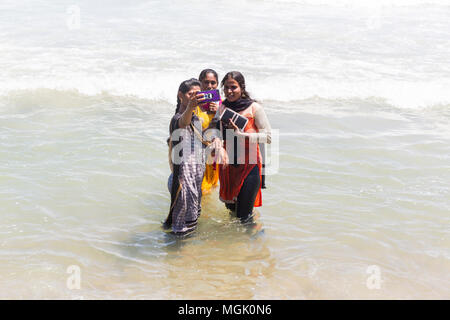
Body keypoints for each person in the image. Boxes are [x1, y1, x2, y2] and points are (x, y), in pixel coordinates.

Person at [211, 71, 271, 223]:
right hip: (228, 167)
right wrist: (216, 140)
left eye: (233, 87)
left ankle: (255, 242)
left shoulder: (254, 108)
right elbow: (216, 130)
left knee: (244, 218)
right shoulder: (222, 107)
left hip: (249, 166)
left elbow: (268, 137)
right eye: (226, 87)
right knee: (232, 212)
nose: (229, 91)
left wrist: (241, 135)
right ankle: (237, 246)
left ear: (242, 88)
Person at [163, 78, 207, 235]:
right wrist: (190, 107)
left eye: (197, 94)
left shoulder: (197, 119)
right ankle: (176, 257)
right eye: (190, 94)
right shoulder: (176, 119)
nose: (194, 97)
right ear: (180, 95)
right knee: (180, 230)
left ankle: (185, 257)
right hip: (182, 180)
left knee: (192, 225)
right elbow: (183, 122)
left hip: (195, 178)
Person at [196, 69, 221, 194]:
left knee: (213, 188)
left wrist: (219, 112)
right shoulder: (194, 105)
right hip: (199, 157)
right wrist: (211, 124)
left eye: (213, 83)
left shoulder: (221, 104)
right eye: (206, 82)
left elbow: (229, 131)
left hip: (214, 157)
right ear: (200, 83)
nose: (209, 86)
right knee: (202, 192)